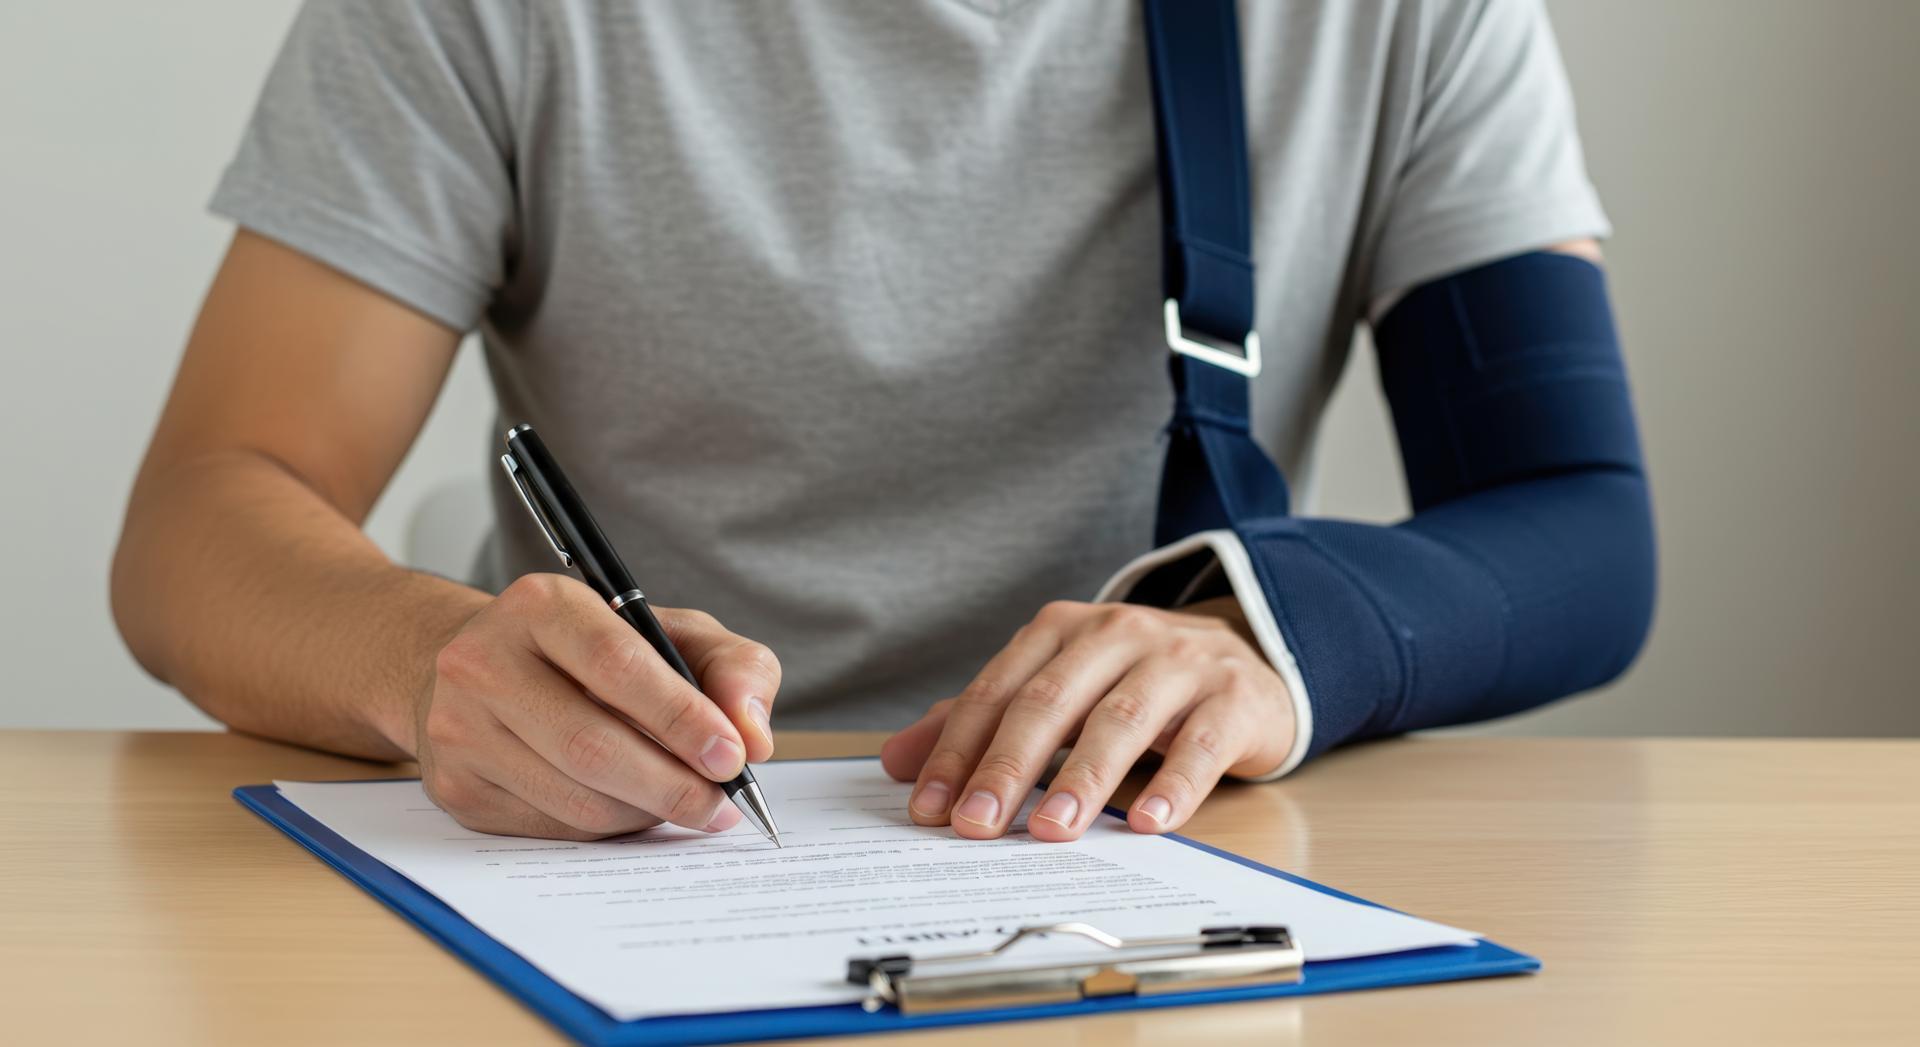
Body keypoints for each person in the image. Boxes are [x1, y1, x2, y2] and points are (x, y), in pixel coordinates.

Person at [112, 1, 1653, 844]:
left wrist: (1277, 640)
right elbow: (203, 514)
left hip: (1169, 878)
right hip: (635, 874)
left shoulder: (1412, 17)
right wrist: (429, 664)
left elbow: (1579, 525)